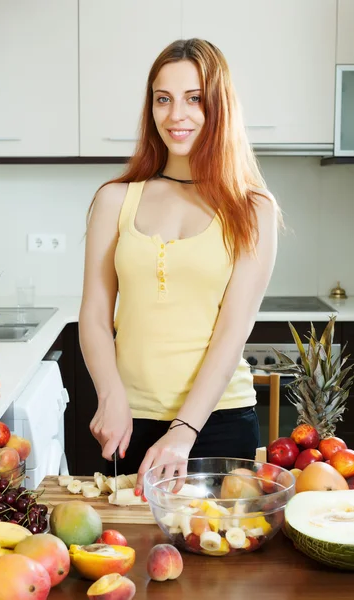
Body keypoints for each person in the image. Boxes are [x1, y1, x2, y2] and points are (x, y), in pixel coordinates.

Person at [79, 38, 280, 496]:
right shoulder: (115, 199)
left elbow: (234, 330)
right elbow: (93, 314)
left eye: (194, 99)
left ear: (218, 106)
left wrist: (185, 429)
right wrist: (110, 397)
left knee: (217, 558)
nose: (176, 115)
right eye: (163, 99)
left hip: (219, 421)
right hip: (128, 421)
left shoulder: (253, 209)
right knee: (126, 558)